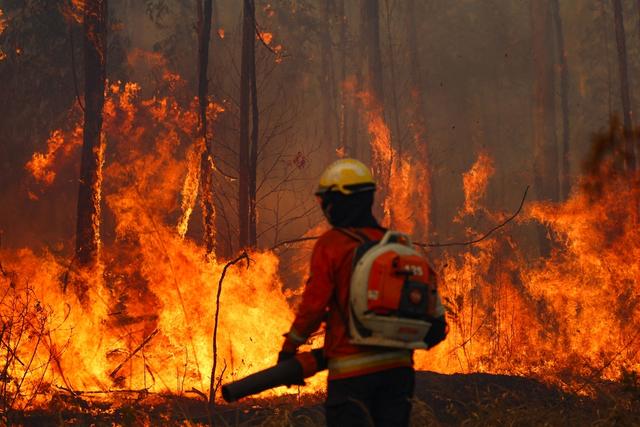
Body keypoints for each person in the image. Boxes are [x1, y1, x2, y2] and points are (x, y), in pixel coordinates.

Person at [279, 158, 418, 427]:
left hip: (353, 373)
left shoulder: (332, 244)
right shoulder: (397, 244)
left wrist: (289, 350)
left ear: (340, 202)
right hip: (399, 372)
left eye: (326, 202)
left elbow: (313, 308)